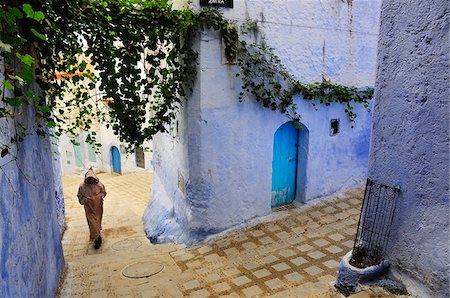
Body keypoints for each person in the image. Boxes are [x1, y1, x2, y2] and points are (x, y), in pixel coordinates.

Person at [77, 168, 106, 249]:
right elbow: (79, 196)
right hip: (89, 209)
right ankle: (96, 239)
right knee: (92, 223)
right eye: (89, 179)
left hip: (98, 208)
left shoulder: (99, 185)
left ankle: (97, 237)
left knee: (97, 222)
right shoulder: (82, 187)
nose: (90, 180)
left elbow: (104, 192)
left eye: (91, 179)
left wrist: (98, 197)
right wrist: (85, 200)